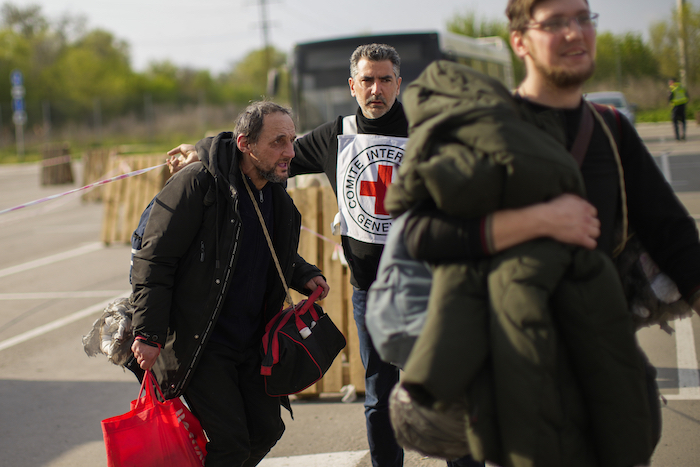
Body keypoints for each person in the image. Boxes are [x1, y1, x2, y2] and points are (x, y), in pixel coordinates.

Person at [384, 0, 700, 465]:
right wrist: (535, 222)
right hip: (517, 379)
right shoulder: (479, 126)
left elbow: (675, 237)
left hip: (606, 368)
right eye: (555, 23)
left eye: (582, 18)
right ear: (520, 41)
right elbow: (422, 235)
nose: (575, 33)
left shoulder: (611, 129)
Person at [169, 44, 481, 467]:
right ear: (353, 86)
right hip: (370, 292)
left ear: (399, 84)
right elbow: (261, 151)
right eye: (367, 80)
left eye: (386, 79)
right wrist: (202, 149)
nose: (377, 89)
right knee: (379, 397)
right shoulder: (337, 134)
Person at [128, 101, 329, 467]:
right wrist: (150, 333)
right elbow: (154, 259)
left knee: (267, 430)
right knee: (232, 442)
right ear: (244, 144)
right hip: (201, 340)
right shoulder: (197, 184)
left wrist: (303, 273)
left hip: (252, 340)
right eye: (278, 142)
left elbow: (263, 246)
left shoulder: (274, 193)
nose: (290, 152)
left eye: (292, 140)